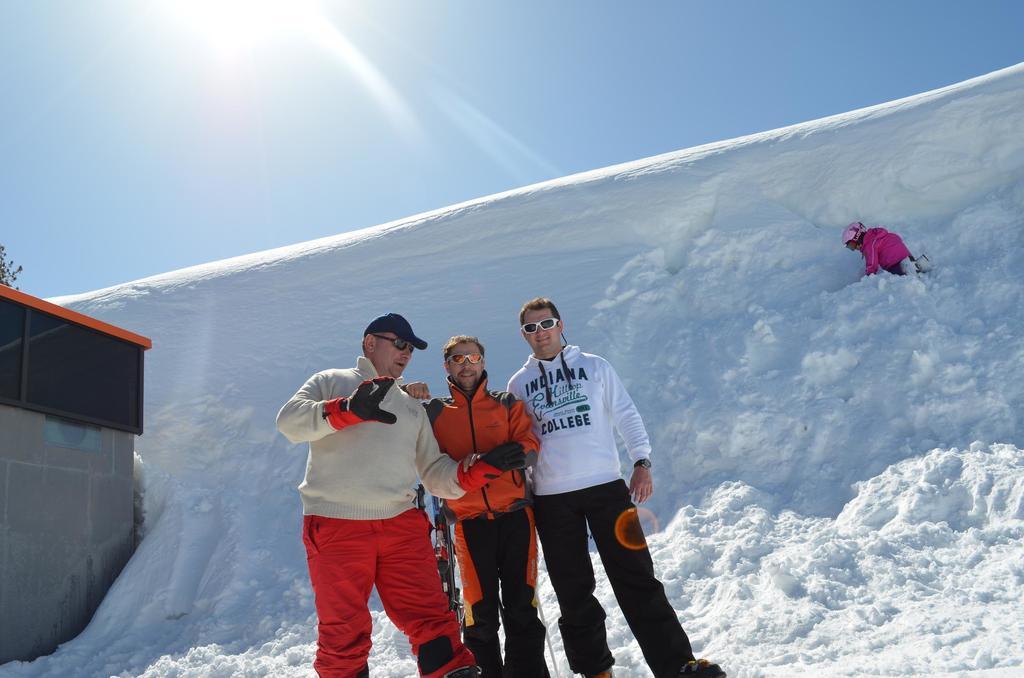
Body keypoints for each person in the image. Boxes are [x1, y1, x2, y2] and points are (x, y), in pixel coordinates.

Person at [276, 313, 525, 678]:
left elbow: (436, 475)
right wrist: (348, 409)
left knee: (433, 620)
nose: (406, 352)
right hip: (337, 524)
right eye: (400, 343)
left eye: (411, 348)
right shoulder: (332, 381)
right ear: (369, 343)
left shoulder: (411, 407)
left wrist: (482, 468)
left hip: (401, 526)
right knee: (343, 634)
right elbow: (290, 422)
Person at [507, 299, 725, 678]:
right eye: (531, 327)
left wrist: (641, 461)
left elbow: (626, 414)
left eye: (547, 323)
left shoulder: (594, 367)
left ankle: (677, 665)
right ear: (523, 335)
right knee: (573, 590)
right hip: (552, 499)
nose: (540, 332)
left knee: (637, 578)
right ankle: (595, 671)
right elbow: (521, 440)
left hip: (607, 489)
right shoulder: (519, 383)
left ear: (561, 324)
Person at [425, 335, 551, 678]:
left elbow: (529, 444)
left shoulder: (506, 403)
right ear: (446, 366)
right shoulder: (434, 412)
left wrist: (516, 457)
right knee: (478, 613)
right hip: (469, 522)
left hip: (515, 517)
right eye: (458, 359)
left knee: (522, 607)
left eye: (473, 358)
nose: (467, 365)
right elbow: (421, 453)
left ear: (483, 362)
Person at [842, 221, 923, 276]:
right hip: (907, 256)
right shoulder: (879, 235)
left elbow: (872, 264)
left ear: (857, 238)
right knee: (910, 266)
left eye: (852, 245)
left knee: (893, 276)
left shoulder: (869, 245)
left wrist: (869, 276)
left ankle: (906, 269)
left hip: (895, 263)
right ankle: (918, 264)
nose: (854, 249)